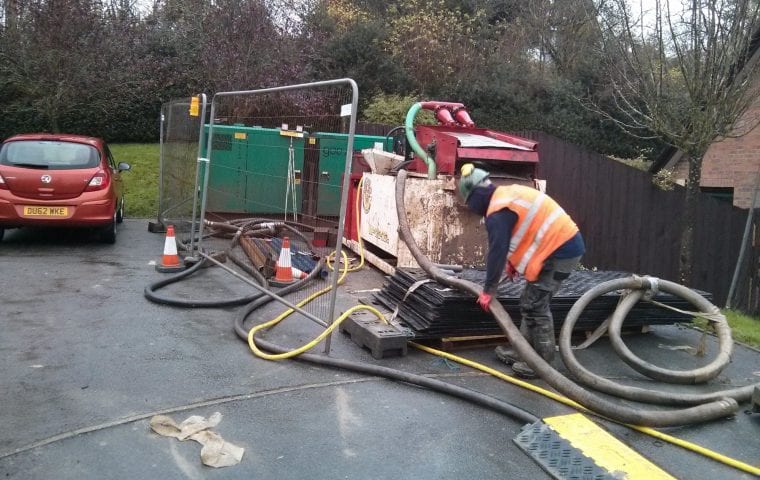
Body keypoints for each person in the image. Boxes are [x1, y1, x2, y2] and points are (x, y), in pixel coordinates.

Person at [458, 163, 585, 379]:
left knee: (536, 305)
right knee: (529, 301)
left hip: (562, 251)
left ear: (476, 196)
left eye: (469, 202)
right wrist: (513, 264)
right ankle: (523, 351)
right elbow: (522, 233)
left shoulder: (497, 212)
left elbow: (497, 252)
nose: (471, 208)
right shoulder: (504, 197)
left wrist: (489, 290)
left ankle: (543, 363)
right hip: (556, 247)